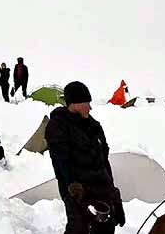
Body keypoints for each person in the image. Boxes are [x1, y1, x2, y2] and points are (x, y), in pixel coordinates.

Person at [45, 81, 125, 233]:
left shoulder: (94, 126)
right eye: (86, 102)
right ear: (74, 104)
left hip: (101, 188)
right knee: (79, 229)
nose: (90, 107)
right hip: (77, 190)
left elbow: (104, 161)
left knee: (106, 228)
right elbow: (62, 159)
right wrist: (72, 185)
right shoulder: (57, 126)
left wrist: (113, 193)